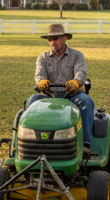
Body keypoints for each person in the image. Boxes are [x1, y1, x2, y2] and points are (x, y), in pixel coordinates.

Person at [33, 22, 95, 159]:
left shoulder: (77, 56)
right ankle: (30, 143)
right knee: (31, 102)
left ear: (64, 38)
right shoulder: (42, 58)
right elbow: (39, 76)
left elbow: (81, 73)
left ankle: (84, 144)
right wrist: (41, 82)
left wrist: (76, 82)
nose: (52, 42)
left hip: (72, 96)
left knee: (86, 102)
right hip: (49, 97)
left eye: (56, 38)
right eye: (50, 39)